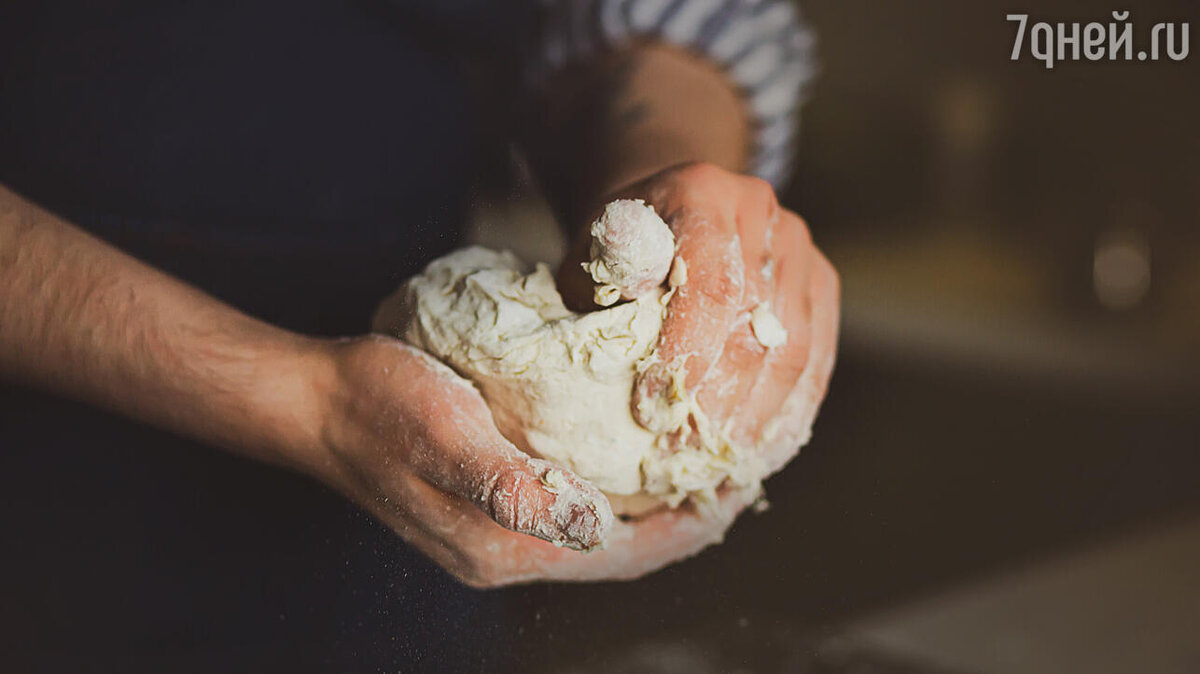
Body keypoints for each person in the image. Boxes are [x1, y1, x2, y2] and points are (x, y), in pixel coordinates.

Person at [0, 0, 837, 665]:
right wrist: (303, 398)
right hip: (42, 536)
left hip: (421, 502)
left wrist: (658, 186)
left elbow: (660, 17)